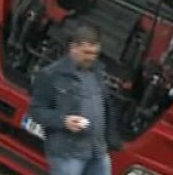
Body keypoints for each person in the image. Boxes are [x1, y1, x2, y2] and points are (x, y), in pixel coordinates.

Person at [28, 20, 122, 175]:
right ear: (73, 48)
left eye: (95, 53)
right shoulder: (51, 75)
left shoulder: (98, 73)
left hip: (98, 151)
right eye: (87, 53)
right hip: (67, 153)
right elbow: (36, 111)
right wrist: (63, 121)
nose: (91, 58)